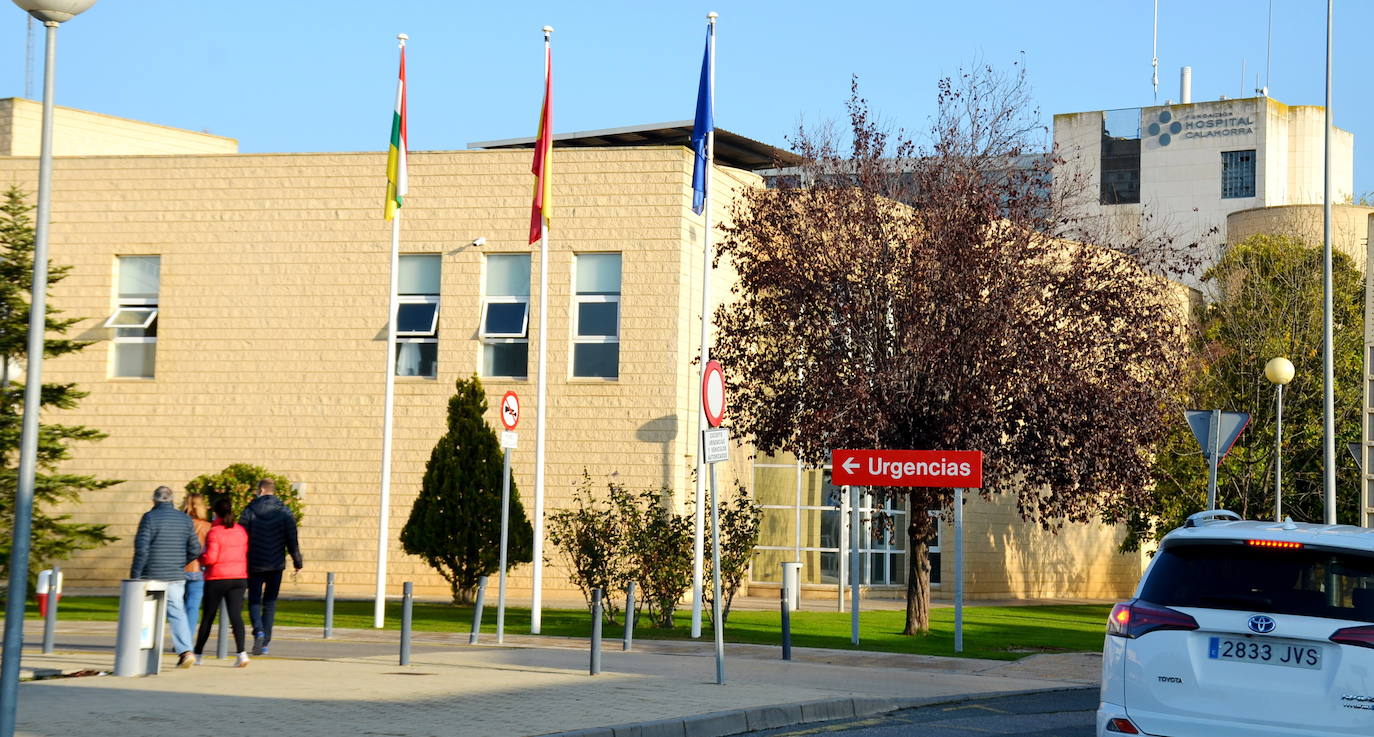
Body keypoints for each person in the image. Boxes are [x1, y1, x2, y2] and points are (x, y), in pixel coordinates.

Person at [130, 485, 202, 668]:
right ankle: (186, 651)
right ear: (172, 500)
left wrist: (135, 575)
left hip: (151, 575)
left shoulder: (149, 518)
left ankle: (143, 653)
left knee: (147, 614)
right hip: (176, 575)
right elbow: (195, 549)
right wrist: (179, 562)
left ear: (154, 500)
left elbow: (142, 549)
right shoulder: (185, 520)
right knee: (177, 612)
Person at [239, 478, 302, 655]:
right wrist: (297, 562)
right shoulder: (284, 512)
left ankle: (258, 630)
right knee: (270, 602)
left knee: (253, 600)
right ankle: (265, 641)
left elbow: (241, 536)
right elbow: (292, 538)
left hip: (254, 562)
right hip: (275, 563)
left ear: (260, 490)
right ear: (273, 490)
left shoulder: (249, 510)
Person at [194, 497, 250, 667]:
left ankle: (198, 654)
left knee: (208, 617)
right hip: (239, 577)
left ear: (215, 513)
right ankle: (242, 653)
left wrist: (200, 558)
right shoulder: (241, 530)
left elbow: (211, 557)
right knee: (236, 617)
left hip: (217, 578)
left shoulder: (215, 531)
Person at [180, 492, 212, 634]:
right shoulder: (207, 527)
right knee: (193, 607)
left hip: (180, 569)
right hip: (199, 570)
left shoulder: (180, 524)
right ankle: (187, 640)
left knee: (178, 607)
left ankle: (180, 638)